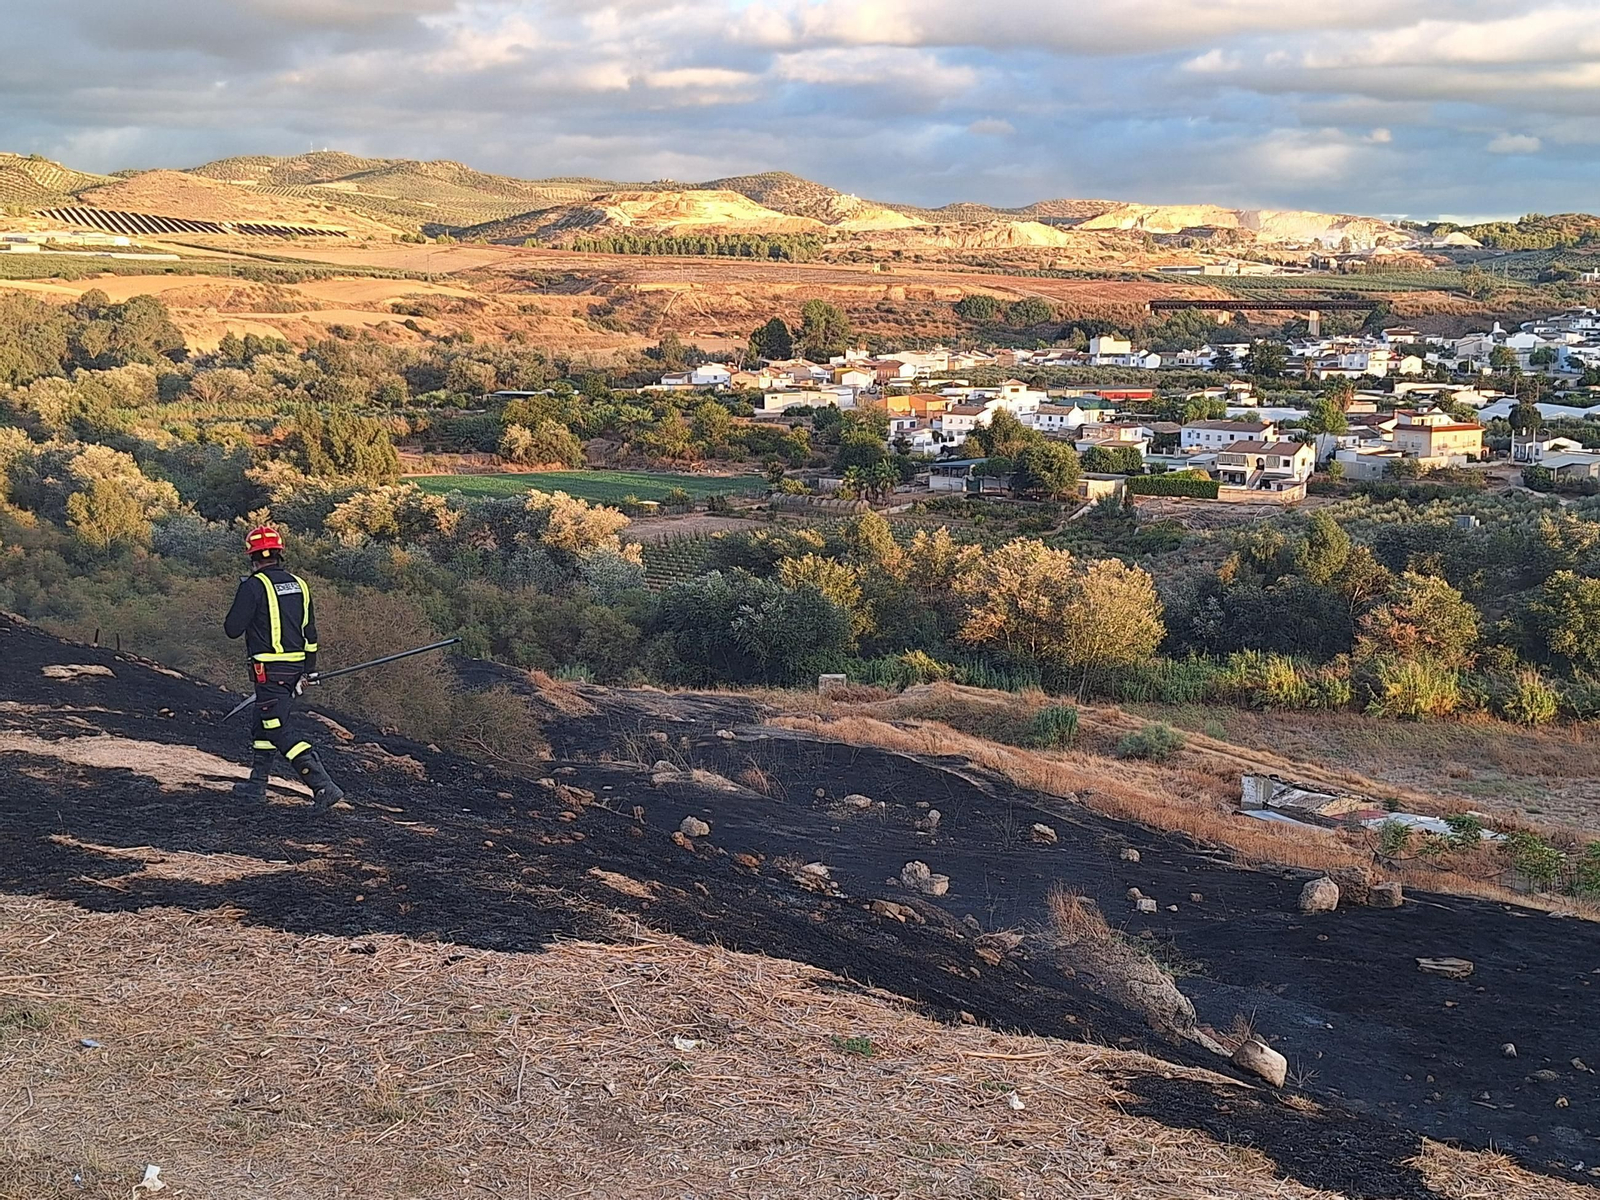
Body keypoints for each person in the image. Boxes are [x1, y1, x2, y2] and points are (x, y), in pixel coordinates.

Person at [223, 525, 345, 810]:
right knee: (262, 723)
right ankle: (256, 786)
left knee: (276, 727)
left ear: (252, 557)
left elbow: (232, 629)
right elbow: (310, 633)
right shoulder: (300, 585)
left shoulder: (253, 586)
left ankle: (323, 785)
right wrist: (309, 670)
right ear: (280, 554)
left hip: (270, 671)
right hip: (294, 670)